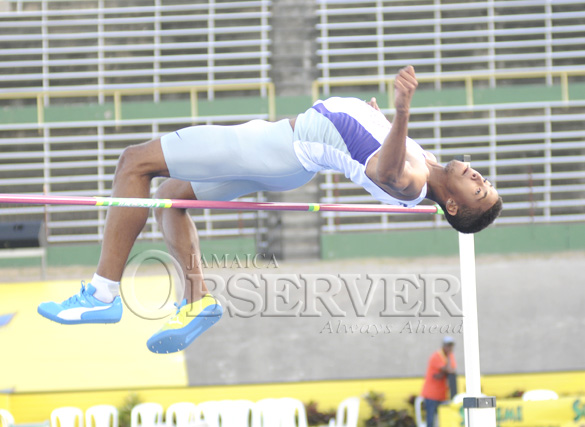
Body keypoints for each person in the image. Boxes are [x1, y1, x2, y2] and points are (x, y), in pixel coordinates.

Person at [37, 66, 502, 353]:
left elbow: (387, 172)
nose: (481, 178)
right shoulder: (431, 167)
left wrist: (400, 112)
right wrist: (378, 116)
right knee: (171, 203)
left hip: (276, 148)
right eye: (486, 181)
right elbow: (373, 147)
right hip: (289, 161)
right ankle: (197, 302)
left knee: (134, 163)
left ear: (455, 204)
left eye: (480, 191)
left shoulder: (414, 181)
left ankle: (101, 296)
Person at [421, 336, 458, 427]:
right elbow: (448, 369)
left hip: (442, 395)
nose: (450, 348)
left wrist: (449, 358)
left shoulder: (450, 356)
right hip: (431, 395)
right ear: (443, 346)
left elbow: (452, 369)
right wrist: (448, 367)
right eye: (448, 346)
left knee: (443, 419)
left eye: (451, 346)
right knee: (431, 420)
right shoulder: (436, 356)